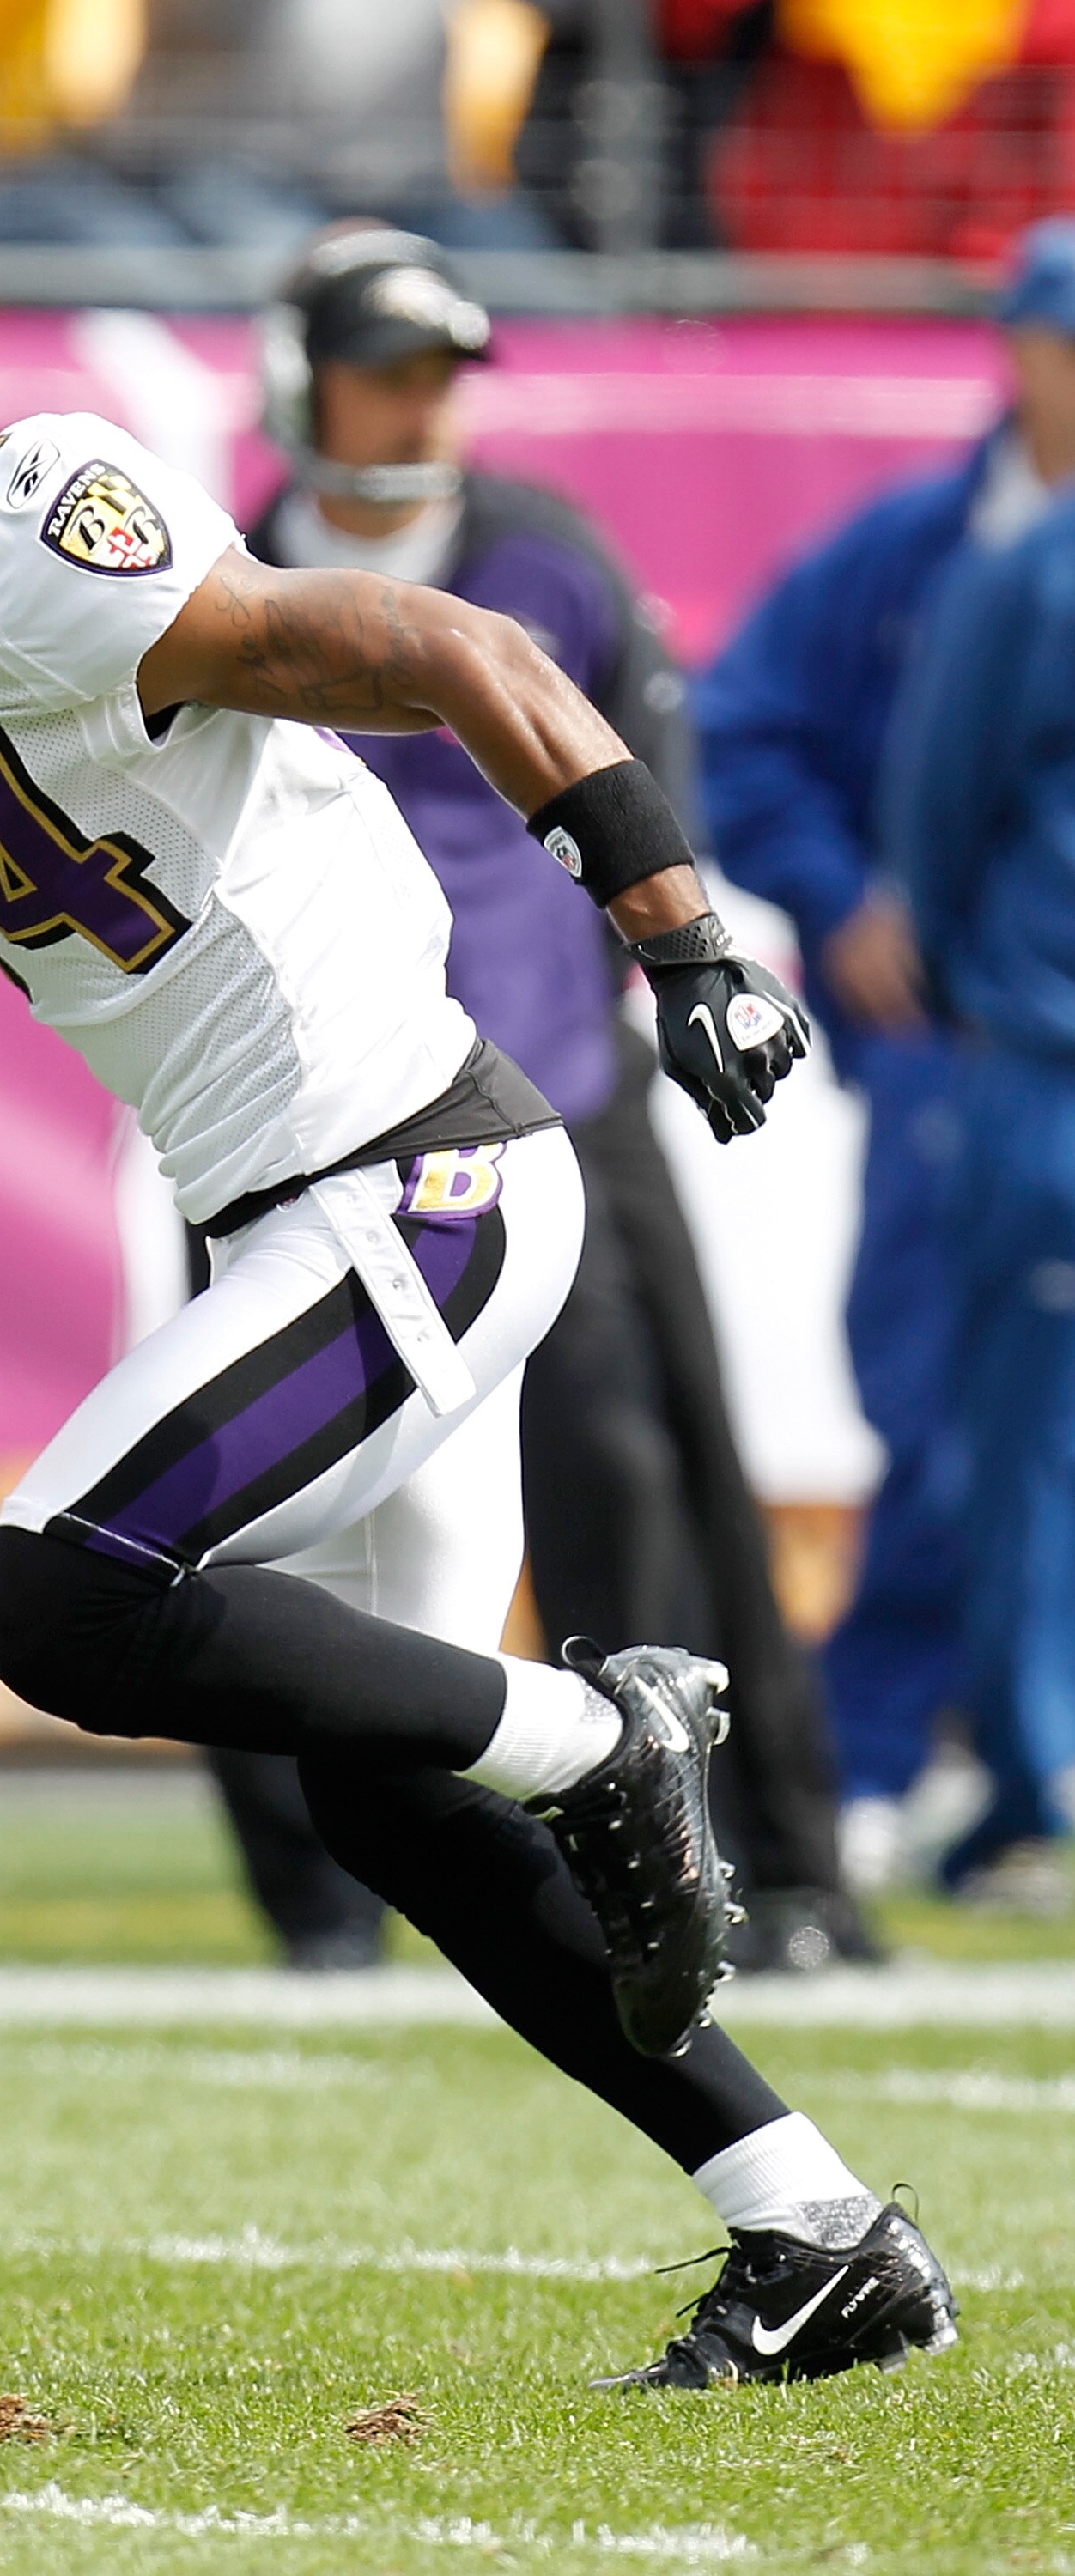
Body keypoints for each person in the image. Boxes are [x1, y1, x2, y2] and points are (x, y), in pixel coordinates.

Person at [0, 181, 955, 2387]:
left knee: (50, 1599)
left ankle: (615, 1726)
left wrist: (676, 931)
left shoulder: (26, 531)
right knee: (386, 1784)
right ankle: (814, 2230)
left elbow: (454, 654)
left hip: (421, 1178)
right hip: (300, 1208)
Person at [234, 222, 861, 1973]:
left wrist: (687, 986)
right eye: (382, 368)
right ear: (301, 380)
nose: (416, 408)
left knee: (634, 1462)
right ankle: (316, 1888)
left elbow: (634, 802)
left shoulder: (544, 564)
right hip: (281, 1104)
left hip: (544, 1097)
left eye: (440, 372)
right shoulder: (208, 574)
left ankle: (738, 1855)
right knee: (268, 1494)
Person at [698, 216, 1075, 1905]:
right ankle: (888, 1758)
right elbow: (756, 732)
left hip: (998, 1025)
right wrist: (859, 905)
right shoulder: (942, 557)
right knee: (945, 1420)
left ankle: (985, 1760)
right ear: (1020, 350)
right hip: (977, 1041)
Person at [884, 241, 1075, 1905]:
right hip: (1050, 1061)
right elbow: (931, 815)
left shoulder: (1034, 565)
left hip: (1038, 1045)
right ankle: (1034, 1782)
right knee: (1026, 1438)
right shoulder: (1029, 569)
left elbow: (940, 818)